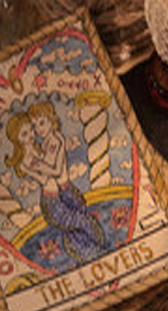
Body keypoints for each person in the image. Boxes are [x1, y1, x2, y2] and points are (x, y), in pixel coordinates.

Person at [6, 102, 106, 265]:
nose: (34, 132)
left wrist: (41, 166)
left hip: (63, 192)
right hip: (52, 201)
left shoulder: (47, 144)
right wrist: (37, 168)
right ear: (17, 139)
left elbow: (56, 170)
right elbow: (49, 176)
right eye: (28, 131)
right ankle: (95, 253)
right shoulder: (28, 158)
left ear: (51, 119)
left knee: (78, 224)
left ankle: (93, 254)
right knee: (79, 221)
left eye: (33, 128)